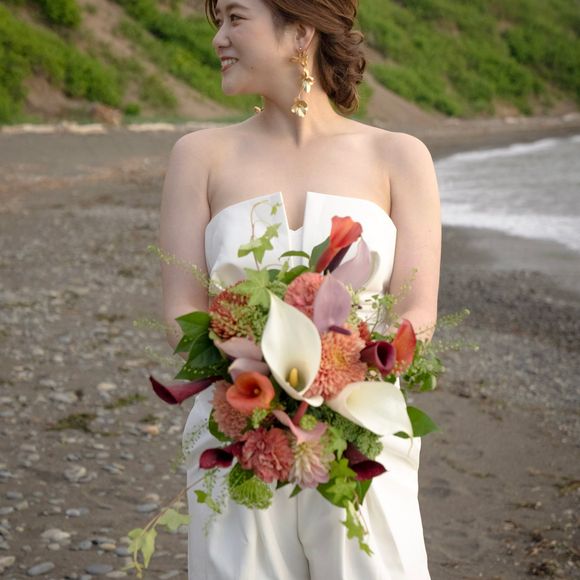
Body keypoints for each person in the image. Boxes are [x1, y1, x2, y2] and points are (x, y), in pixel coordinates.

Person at [159, 0, 441, 578]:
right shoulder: (198, 156)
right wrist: (260, 384)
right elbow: (180, 311)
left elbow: (419, 311)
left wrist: (338, 377)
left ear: (301, 31)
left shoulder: (399, 156)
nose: (218, 39)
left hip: (360, 427)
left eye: (236, 18)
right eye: (219, 22)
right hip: (237, 425)